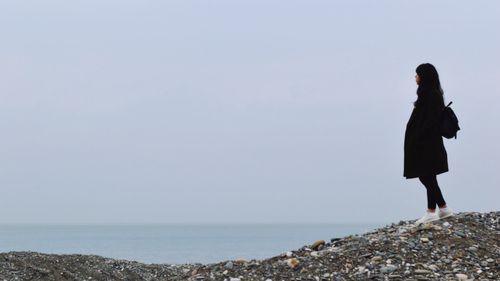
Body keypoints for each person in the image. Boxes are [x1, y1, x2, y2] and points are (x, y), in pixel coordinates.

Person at [404, 63, 453, 225]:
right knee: (428, 175)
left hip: (427, 143)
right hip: (425, 142)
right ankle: (439, 209)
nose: (415, 77)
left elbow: (431, 121)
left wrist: (417, 137)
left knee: (426, 175)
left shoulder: (432, 95)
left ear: (424, 76)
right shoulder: (429, 94)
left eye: (417, 74)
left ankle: (435, 210)